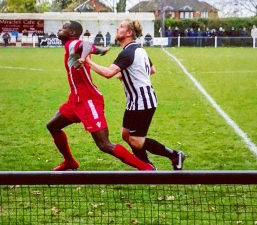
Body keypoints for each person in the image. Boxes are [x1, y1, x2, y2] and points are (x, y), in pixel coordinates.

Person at [46, 20, 154, 172]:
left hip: (88, 100)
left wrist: (85, 57)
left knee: (104, 145)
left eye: (63, 28)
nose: (59, 29)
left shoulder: (72, 43)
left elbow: (86, 46)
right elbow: (91, 47)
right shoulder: (71, 45)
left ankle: (146, 168)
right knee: (53, 126)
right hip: (75, 100)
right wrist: (100, 50)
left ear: (72, 33)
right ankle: (70, 162)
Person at [84, 19, 185, 170]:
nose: (117, 28)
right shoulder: (139, 50)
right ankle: (147, 167)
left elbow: (108, 73)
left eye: (122, 27)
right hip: (135, 101)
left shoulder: (128, 52)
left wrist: (87, 61)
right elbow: (152, 70)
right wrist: (128, 75)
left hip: (143, 101)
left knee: (136, 140)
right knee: (126, 135)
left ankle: (174, 155)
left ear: (129, 33)